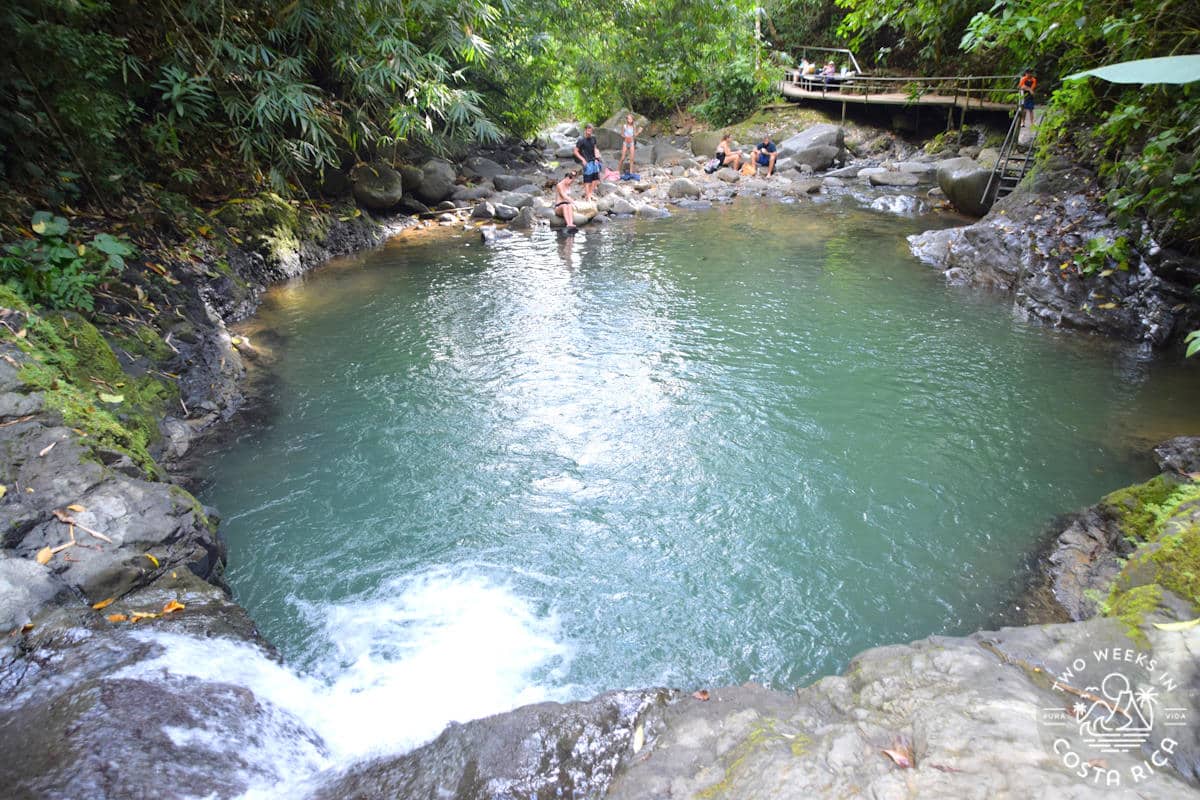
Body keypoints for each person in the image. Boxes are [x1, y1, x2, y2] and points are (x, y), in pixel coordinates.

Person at [573, 124, 603, 201]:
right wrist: (582, 160)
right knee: (587, 180)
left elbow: (595, 148)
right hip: (587, 162)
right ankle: (588, 197)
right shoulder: (581, 140)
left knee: (596, 179)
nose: (590, 131)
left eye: (591, 130)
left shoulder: (593, 138)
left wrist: (597, 158)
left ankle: (589, 194)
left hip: (594, 160)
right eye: (588, 129)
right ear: (585, 130)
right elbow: (575, 151)